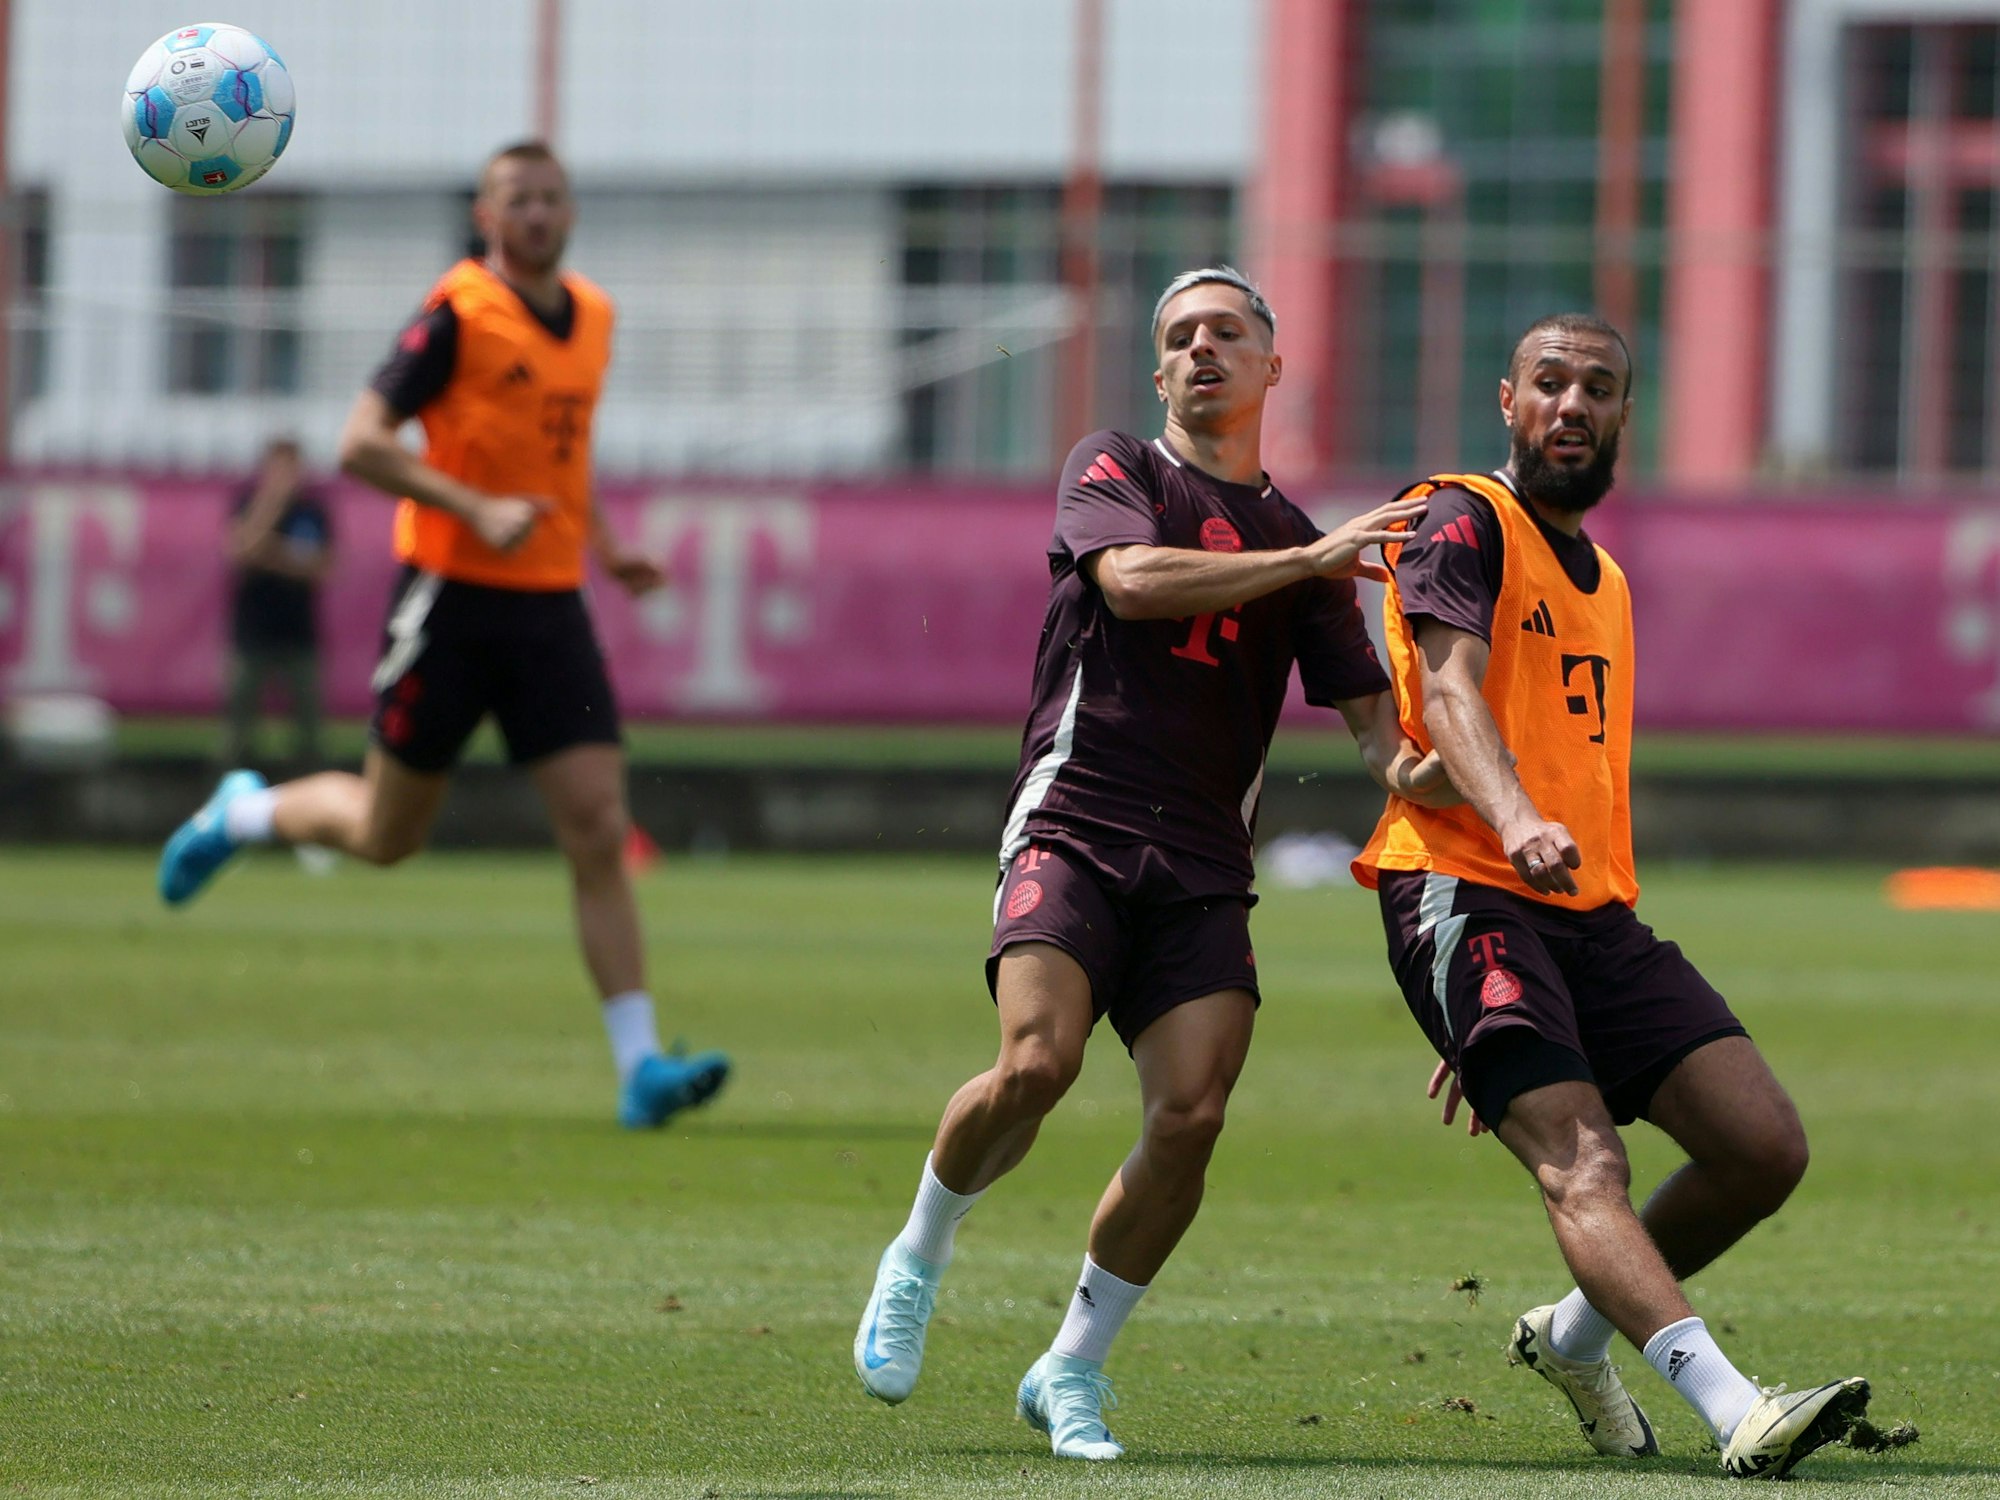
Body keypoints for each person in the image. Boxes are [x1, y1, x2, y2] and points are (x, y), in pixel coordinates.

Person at [852, 267, 1455, 1460]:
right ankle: (918, 1251)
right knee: (1036, 1062)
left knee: (1190, 1114)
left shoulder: (1301, 543)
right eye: (1178, 336)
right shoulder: (1116, 465)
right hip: (1074, 816)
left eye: (1226, 334)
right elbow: (1127, 584)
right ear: (1158, 370)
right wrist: (1305, 562)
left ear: (1272, 366)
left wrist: (1468, 778)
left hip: (1199, 857)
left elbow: (1384, 740)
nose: (1200, 351)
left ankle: (1068, 1367)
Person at [1351, 313, 1869, 1479]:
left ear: (1625, 415)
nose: (1571, 405)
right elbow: (1447, 694)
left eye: (1596, 387)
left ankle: (1572, 1336)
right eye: (1549, 383)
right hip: (1464, 886)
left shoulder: (1608, 580)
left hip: (1581, 917)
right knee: (1584, 1164)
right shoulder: (1460, 517)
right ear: (1506, 401)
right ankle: (1733, 1408)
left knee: (1760, 1148)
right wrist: (1511, 818)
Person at [157, 141, 729, 1131]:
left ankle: (640, 1067)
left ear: (571, 212)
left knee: (597, 825)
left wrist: (608, 546)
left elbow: (563, 455)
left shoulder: (592, 317)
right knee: (387, 836)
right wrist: (470, 503)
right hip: (451, 600)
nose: (538, 214)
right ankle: (242, 815)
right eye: (519, 200)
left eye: (551, 198)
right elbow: (362, 442)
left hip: (550, 605)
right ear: (486, 214)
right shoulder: (455, 315)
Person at [220, 437, 333, 768]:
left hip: (299, 634)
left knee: (309, 734)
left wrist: (269, 554)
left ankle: (309, 802)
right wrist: (270, 508)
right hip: (251, 634)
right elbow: (240, 552)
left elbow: (322, 567)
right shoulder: (246, 504)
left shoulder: (313, 512)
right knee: (238, 734)